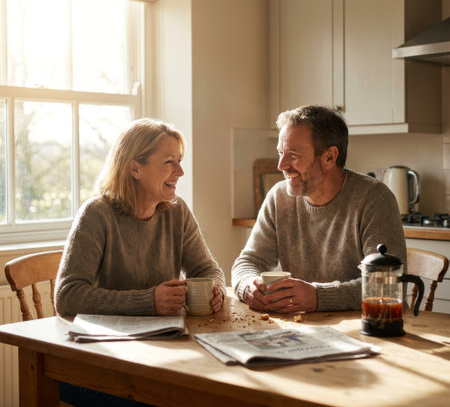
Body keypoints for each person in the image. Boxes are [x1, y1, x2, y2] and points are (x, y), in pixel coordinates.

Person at [55, 117, 225, 406]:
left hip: (159, 354)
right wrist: (148, 300)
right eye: (169, 162)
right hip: (99, 364)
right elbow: (67, 295)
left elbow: (207, 269)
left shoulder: (177, 211)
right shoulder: (96, 214)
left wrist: (215, 290)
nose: (180, 171)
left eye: (179, 161)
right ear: (135, 168)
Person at [231, 105, 406, 313]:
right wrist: (248, 286)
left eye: (293, 155)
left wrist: (318, 296)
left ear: (330, 157)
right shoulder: (278, 197)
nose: (281, 165)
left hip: (369, 329)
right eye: (280, 153)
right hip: (306, 330)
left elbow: (387, 284)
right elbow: (248, 261)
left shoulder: (374, 199)